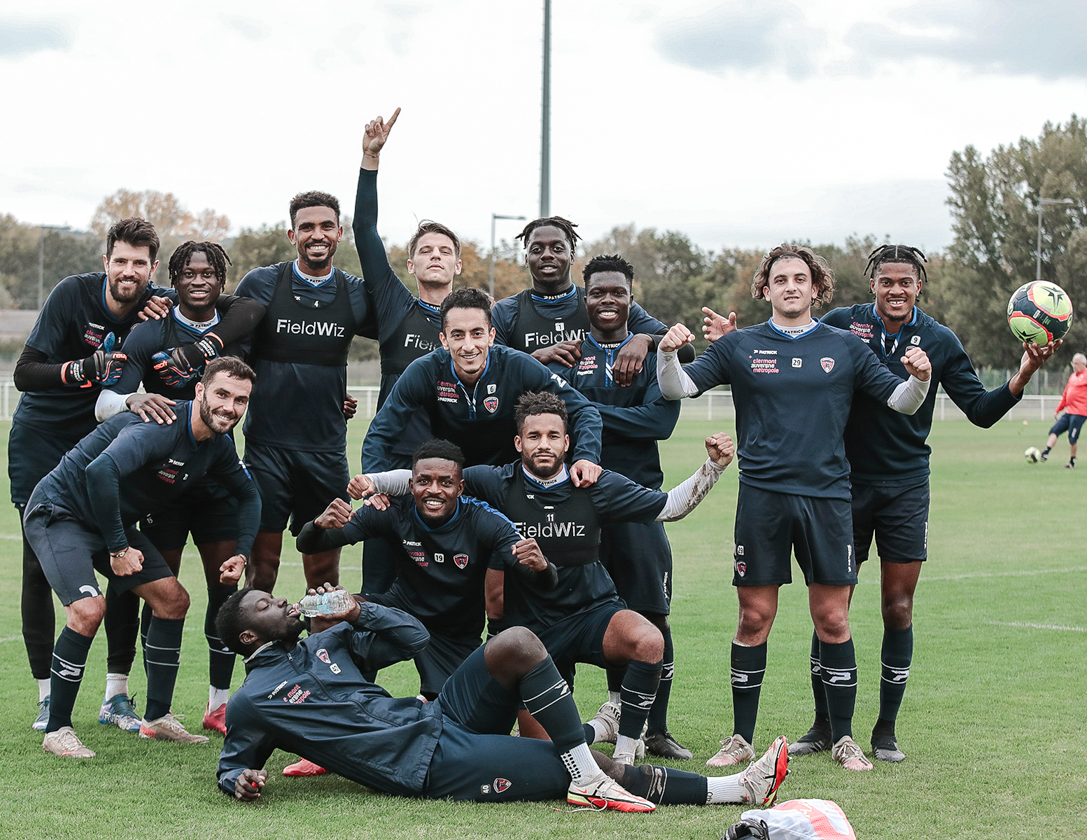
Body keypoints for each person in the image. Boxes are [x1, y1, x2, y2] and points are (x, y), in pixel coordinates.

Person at [754, 243, 1055, 762]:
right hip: (840, 485)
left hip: (905, 488)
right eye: (887, 281)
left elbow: (980, 411)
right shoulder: (843, 326)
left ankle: (885, 730)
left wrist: (1023, 373)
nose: (896, 289)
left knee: (897, 605)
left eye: (906, 282)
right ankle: (824, 724)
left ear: (920, 287)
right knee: (833, 608)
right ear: (871, 284)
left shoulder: (939, 340)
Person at [658, 243, 934, 772]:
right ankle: (740, 738)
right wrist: (668, 353)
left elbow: (901, 401)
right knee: (753, 617)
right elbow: (678, 387)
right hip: (761, 498)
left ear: (816, 288)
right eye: (780, 278)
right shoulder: (741, 347)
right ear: (765, 288)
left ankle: (845, 738)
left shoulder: (846, 348)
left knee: (832, 617)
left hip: (830, 498)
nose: (790, 286)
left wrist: (920, 378)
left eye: (800, 278)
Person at [355, 392, 734, 765]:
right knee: (547, 752)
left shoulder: (593, 484)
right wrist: (375, 484)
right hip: (530, 632)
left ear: (567, 442)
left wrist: (713, 466)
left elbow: (670, 506)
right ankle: (601, 726)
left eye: (553, 436)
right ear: (519, 442)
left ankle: (626, 748)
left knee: (650, 640)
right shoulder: (495, 483)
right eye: (534, 436)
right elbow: (434, 477)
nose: (544, 445)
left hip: (592, 614)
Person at [215, 585, 789, 811]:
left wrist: (358, 610)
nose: (284, 603)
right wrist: (240, 782)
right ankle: (738, 789)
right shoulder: (253, 700)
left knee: (515, 642)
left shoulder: (330, 639)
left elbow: (415, 638)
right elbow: (234, 763)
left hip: (439, 715)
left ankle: (583, 764)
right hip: (427, 764)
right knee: (602, 769)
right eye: (267, 606)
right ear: (249, 637)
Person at [9, 217, 259, 732]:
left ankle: (137, 705)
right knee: (61, 584)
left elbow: (249, 309)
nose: (129, 270)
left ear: (151, 271)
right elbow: (27, 374)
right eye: (120, 261)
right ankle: (51, 709)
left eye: (139, 263)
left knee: (161, 594)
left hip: (113, 460)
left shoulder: (167, 305)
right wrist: (99, 381)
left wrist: (201, 347)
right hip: (56, 446)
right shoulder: (80, 302)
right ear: (105, 262)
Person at [24, 358, 261, 758]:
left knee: (173, 600)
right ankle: (57, 728)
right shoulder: (160, 426)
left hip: (105, 521)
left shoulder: (216, 446)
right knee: (87, 609)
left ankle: (156, 719)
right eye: (222, 394)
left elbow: (250, 495)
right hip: (59, 513)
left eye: (240, 400)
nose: (230, 407)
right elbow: (100, 472)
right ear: (200, 391)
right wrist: (118, 548)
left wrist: (241, 553)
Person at [94, 240, 264, 735]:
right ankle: (122, 695)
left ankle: (218, 703)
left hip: (217, 485)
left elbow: (255, 310)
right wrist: (133, 400)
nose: (199, 280)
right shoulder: (150, 331)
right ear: (172, 278)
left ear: (221, 279)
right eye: (188, 273)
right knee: (145, 587)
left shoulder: (238, 327)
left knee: (223, 590)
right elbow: (106, 399)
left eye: (209, 273)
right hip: (160, 488)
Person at [545, 254, 690, 760]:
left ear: (632, 296)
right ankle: (582, 722)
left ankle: (657, 728)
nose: (607, 301)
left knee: (652, 613)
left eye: (617, 293)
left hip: (637, 502)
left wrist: (582, 412)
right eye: (597, 293)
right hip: (573, 509)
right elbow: (551, 424)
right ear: (583, 299)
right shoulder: (564, 356)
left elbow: (659, 424)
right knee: (576, 613)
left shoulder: (653, 356)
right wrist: (602, 414)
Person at [299, 439, 555, 701]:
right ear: (411, 485)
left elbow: (543, 581)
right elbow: (308, 544)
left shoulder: (485, 521)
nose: (434, 490)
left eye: (445, 482)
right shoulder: (390, 510)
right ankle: (333, 700)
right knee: (328, 613)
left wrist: (543, 567)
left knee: (457, 720)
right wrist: (317, 525)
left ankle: (429, 701)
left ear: (460, 487)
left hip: (454, 632)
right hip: (399, 613)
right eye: (424, 481)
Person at [235, 191, 376, 597]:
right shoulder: (261, 283)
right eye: (307, 227)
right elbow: (230, 344)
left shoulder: (354, 294)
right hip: (266, 451)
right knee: (261, 573)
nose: (317, 234)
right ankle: (262, 661)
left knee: (325, 582)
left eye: (326, 226)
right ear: (292, 234)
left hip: (326, 452)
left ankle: (322, 660)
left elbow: (404, 334)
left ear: (339, 233)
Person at [352, 107, 460, 595]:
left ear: (458, 265)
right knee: (376, 592)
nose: (435, 255)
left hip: (451, 473)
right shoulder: (396, 306)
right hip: (392, 464)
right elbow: (365, 232)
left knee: (450, 594)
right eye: (427, 250)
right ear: (412, 263)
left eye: (445, 251)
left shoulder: (477, 323)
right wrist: (370, 161)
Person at [361, 287, 604, 482]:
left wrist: (586, 458)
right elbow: (379, 434)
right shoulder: (425, 370)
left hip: (508, 482)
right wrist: (376, 483)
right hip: (451, 484)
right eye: (458, 335)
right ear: (444, 340)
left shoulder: (517, 365)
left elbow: (584, 411)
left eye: (477, 333)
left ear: (490, 336)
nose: (468, 346)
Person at [491, 216, 692, 384]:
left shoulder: (601, 303)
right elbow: (487, 370)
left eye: (557, 248)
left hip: (594, 421)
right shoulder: (506, 311)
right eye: (536, 250)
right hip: (537, 426)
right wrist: (534, 358)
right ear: (526, 259)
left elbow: (687, 351)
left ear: (571, 256)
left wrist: (646, 340)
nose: (547, 255)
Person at [1040, 352, 1086, 468]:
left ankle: (1072, 461)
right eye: (1073, 363)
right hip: (1069, 412)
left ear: (1083, 364)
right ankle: (1046, 452)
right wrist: (1058, 409)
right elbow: (1066, 394)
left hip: (1080, 412)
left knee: (1072, 438)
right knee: (1054, 430)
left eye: (1076, 363)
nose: (1074, 366)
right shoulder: (1072, 376)